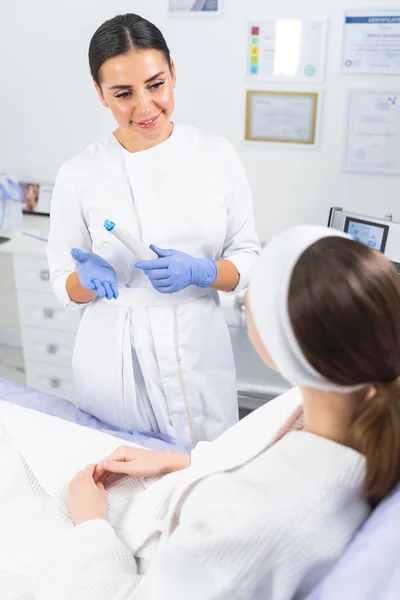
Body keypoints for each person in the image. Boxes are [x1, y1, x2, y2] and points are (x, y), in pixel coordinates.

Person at [4, 225, 400, 600]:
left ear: (282, 347)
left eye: (254, 296)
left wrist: (89, 523)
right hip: (166, 494)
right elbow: (263, 457)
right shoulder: (345, 396)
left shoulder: (265, 524)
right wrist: (181, 461)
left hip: (111, 546)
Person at [46, 13, 260, 445]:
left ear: (173, 74)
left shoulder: (216, 157)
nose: (144, 107)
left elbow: (249, 258)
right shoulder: (79, 174)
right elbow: (61, 284)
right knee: (122, 474)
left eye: (156, 85)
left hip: (198, 343)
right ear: (100, 95)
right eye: (123, 94)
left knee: (207, 468)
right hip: (115, 354)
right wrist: (85, 282)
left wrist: (203, 271)